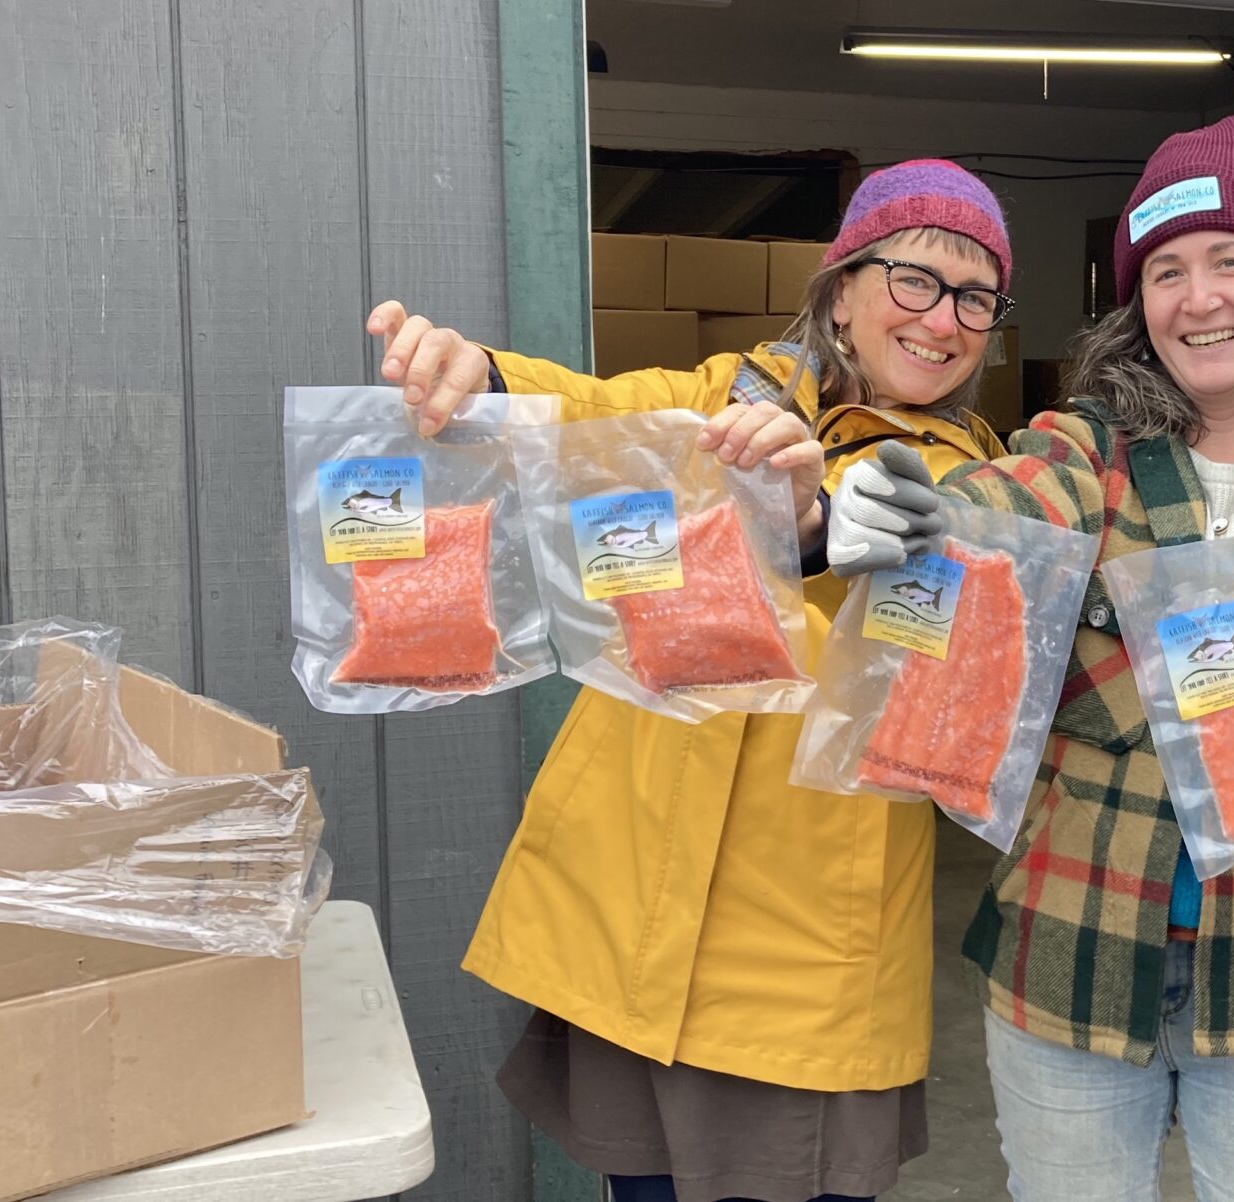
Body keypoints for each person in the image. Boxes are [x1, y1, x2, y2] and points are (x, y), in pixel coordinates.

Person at [368, 159, 1018, 1202]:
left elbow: (938, 601)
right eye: (913, 278)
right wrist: (477, 375)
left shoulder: (977, 483)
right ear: (841, 289)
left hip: (800, 948)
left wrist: (815, 528)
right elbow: (587, 414)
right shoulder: (722, 399)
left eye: (974, 294)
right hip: (634, 906)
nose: (942, 317)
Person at [829, 116, 1234, 1202]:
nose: (1197, 297)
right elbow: (1010, 498)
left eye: (1226, 262)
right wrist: (912, 502)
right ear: (1137, 303)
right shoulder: (1088, 446)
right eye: (1165, 271)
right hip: (1075, 930)